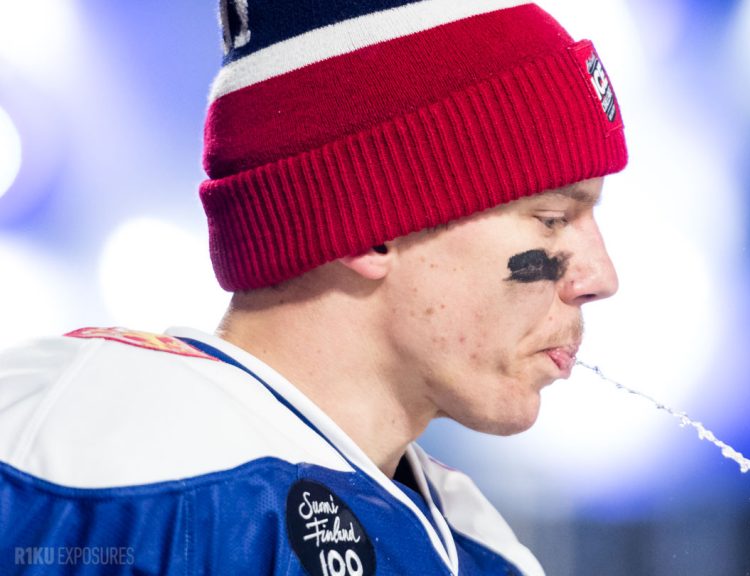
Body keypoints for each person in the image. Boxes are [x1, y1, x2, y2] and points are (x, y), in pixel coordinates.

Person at [0, 1, 627, 574]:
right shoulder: (98, 475)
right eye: (552, 219)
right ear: (373, 228)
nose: (601, 278)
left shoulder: (483, 545)